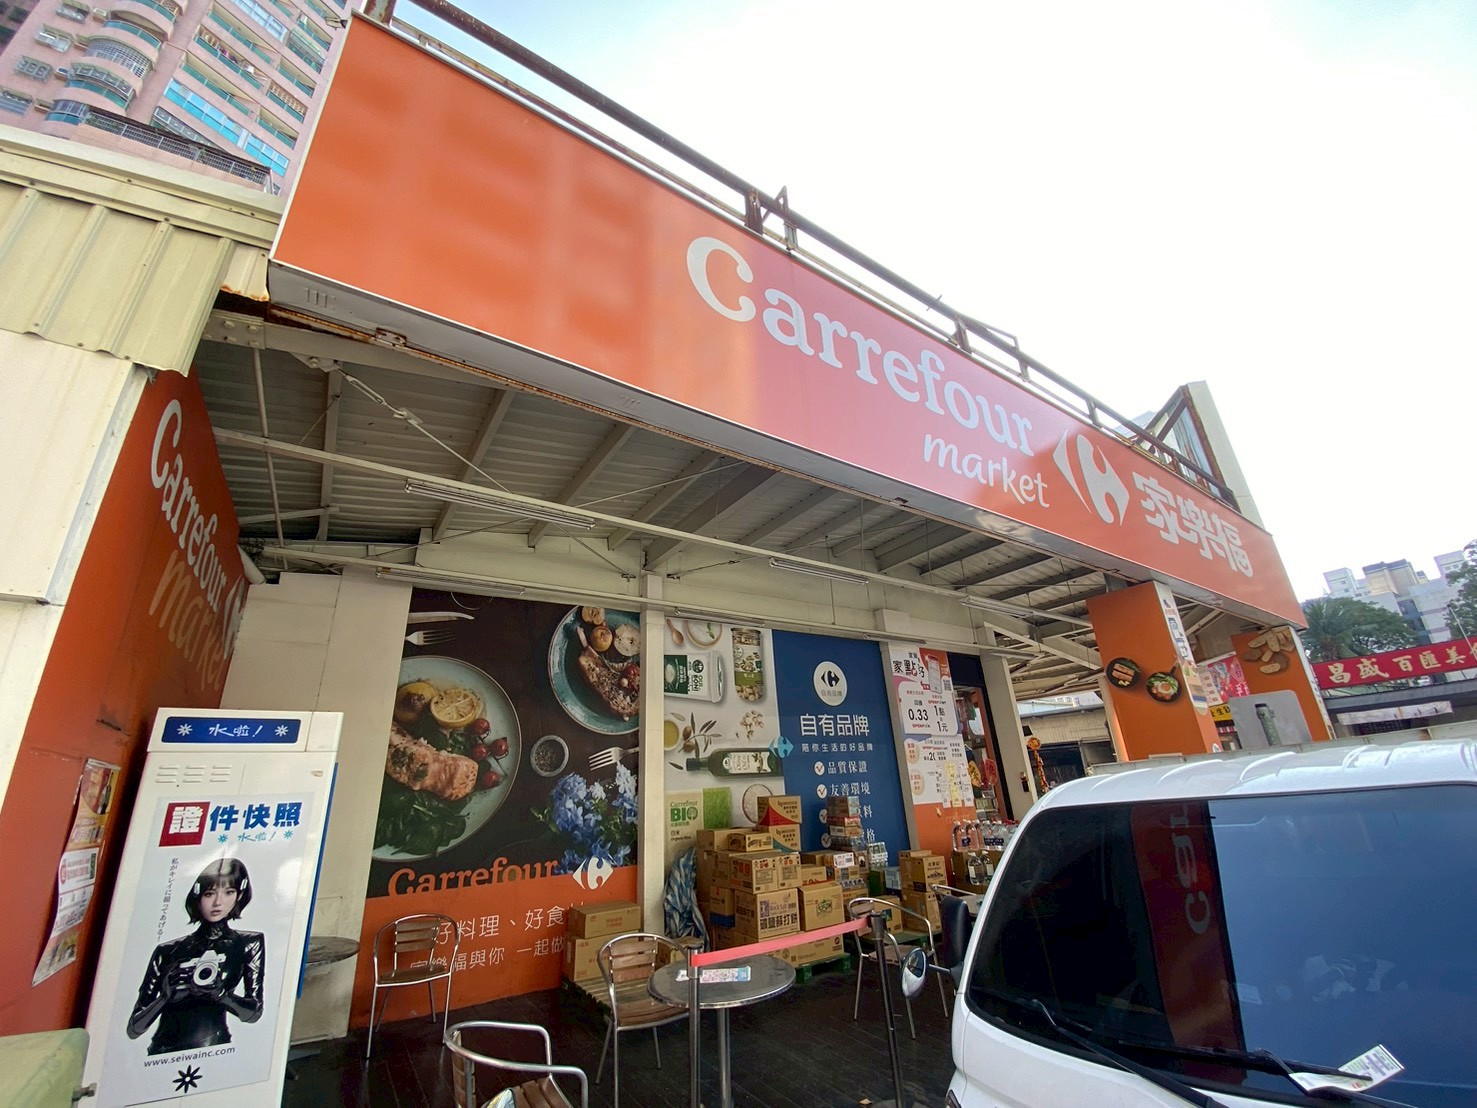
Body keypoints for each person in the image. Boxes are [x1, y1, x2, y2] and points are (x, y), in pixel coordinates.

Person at [127, 857, 265, 1055]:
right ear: (197, 895)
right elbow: (134, 1028)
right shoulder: (167, 950)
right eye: (210, 893)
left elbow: (253, 1013)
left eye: (229, 892)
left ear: (239, 895)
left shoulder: (248, 943)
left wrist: (220, 994)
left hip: (214, 1047)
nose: (218, 902)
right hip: (161, 1050)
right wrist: (165, 998)